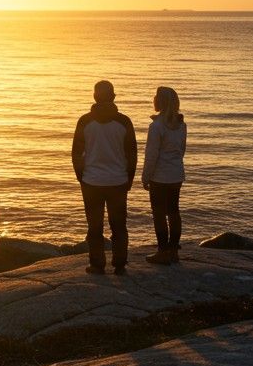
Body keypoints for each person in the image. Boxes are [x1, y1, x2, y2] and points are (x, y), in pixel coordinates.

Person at [71, 80, 137, 274]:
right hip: (118, 181)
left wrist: (81, 177)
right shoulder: (124, 122)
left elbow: (76, 153)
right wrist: (129, 178)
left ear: (94, 97)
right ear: (114, 97)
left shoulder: (85, 121)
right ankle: (119, 264)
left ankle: (97, 264)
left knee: (94, 226)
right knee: (119, 225)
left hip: (91, 182)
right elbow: (132, 153)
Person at [142, 86, 187, 265]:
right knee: (174, 212)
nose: (153, 99)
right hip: (176, 174)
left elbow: (151, 155)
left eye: (155, 97)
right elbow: (182, 150)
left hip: (159, 177)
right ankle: (174, 251)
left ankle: (163, 251)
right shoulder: (181, 125)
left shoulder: (156, 126)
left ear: (160, 102)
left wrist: (146, 177)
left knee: (159, 214)